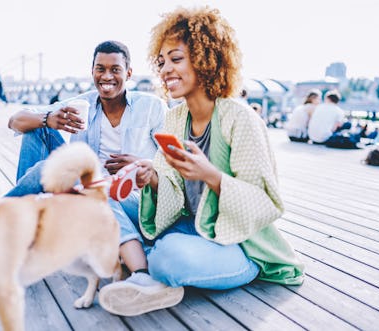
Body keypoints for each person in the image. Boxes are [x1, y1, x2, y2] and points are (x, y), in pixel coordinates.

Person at [98, 6, 304, 317]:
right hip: (187, 227)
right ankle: (146, 272)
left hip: (239, 246)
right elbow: (171, 189)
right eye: (162, 61)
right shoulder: (175, 118)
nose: (166, 69)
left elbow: (267, 204)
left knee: (169, 255)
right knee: (100, 197)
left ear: (207, 59)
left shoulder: (240, 118)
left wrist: (212, 176)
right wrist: (151, 176)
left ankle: (143, 262)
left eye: (176, 59)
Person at [6, 40, 168, 291]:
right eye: (100, 68)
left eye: (115, 69)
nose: (107, 76)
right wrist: (48, 119)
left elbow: (175, 162)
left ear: (129, 73)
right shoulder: (81, 103)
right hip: (85, 191)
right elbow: (15, 121)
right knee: (36, 131)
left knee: (72, 176)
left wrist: (144, 164)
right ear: (92, 70)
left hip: (132, 200)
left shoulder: (152, 107)